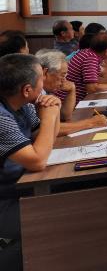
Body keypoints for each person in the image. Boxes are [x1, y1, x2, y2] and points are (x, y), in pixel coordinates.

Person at [0, 54, 61, 269]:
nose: (44, 84)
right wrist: (49, 115)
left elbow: (45, 140)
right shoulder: (1, 117)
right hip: (5, 200)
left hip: (21, 183)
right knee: (56, 216)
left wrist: (55, 110)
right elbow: (37, 161)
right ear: (27, 89)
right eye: (41, 80)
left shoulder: (22, 102)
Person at [36, 50, 107, 135]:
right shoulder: (34, 93)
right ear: (45, 73)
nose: (64, 80)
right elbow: (45, 129)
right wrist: (91, 123)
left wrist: (72, 90)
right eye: (62, 75)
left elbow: (65, 116)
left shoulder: (46, 90)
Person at [58, 34, 107, 105]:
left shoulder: (87, 53)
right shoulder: (90, 59)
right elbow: (92, 88)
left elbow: (96, 79)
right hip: (69, 102)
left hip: (71, 98)